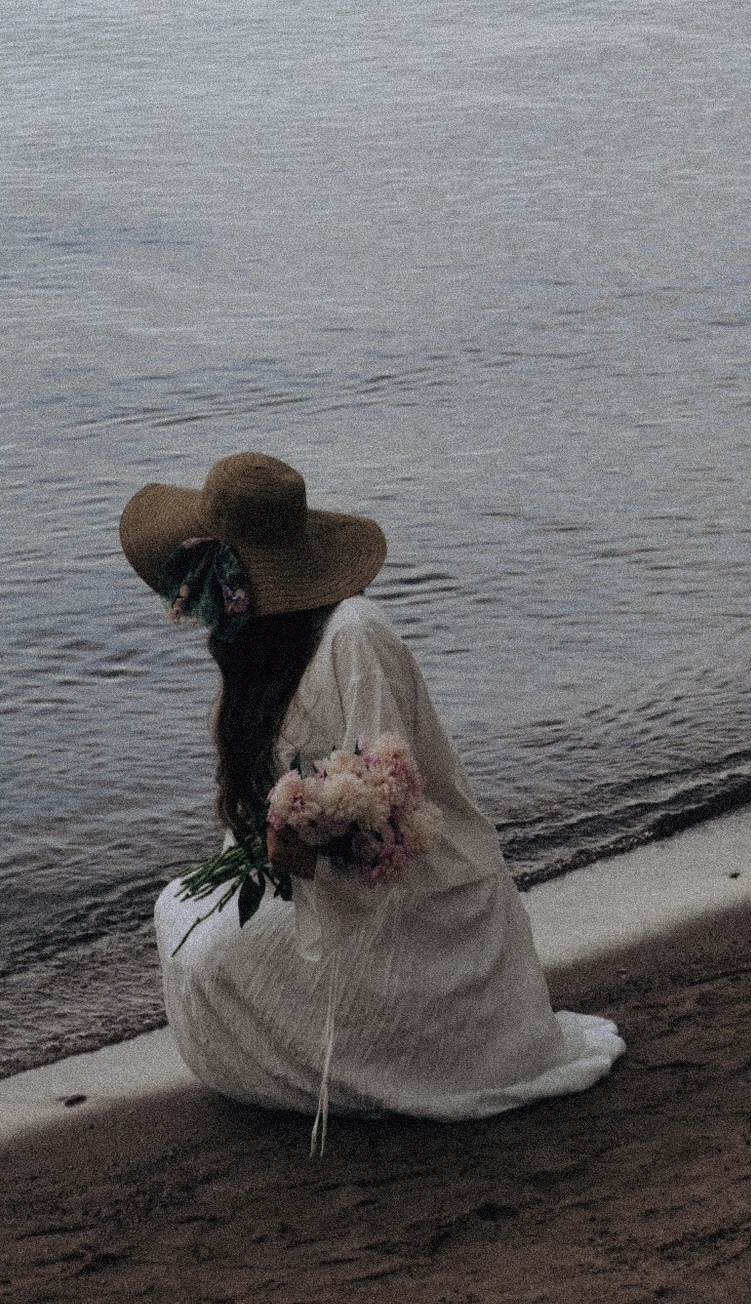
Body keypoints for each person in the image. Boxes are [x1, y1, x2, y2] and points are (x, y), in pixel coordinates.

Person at [122, 448, 624, 1124]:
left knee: (214, 953)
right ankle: (304, 1063)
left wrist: (309, 838)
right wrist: (275, 844)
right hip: (322, 876)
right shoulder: (262, 644)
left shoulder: (354, 635)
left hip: (409, 892)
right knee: (178, 910)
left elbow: (391, 798)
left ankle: (359, 1063)